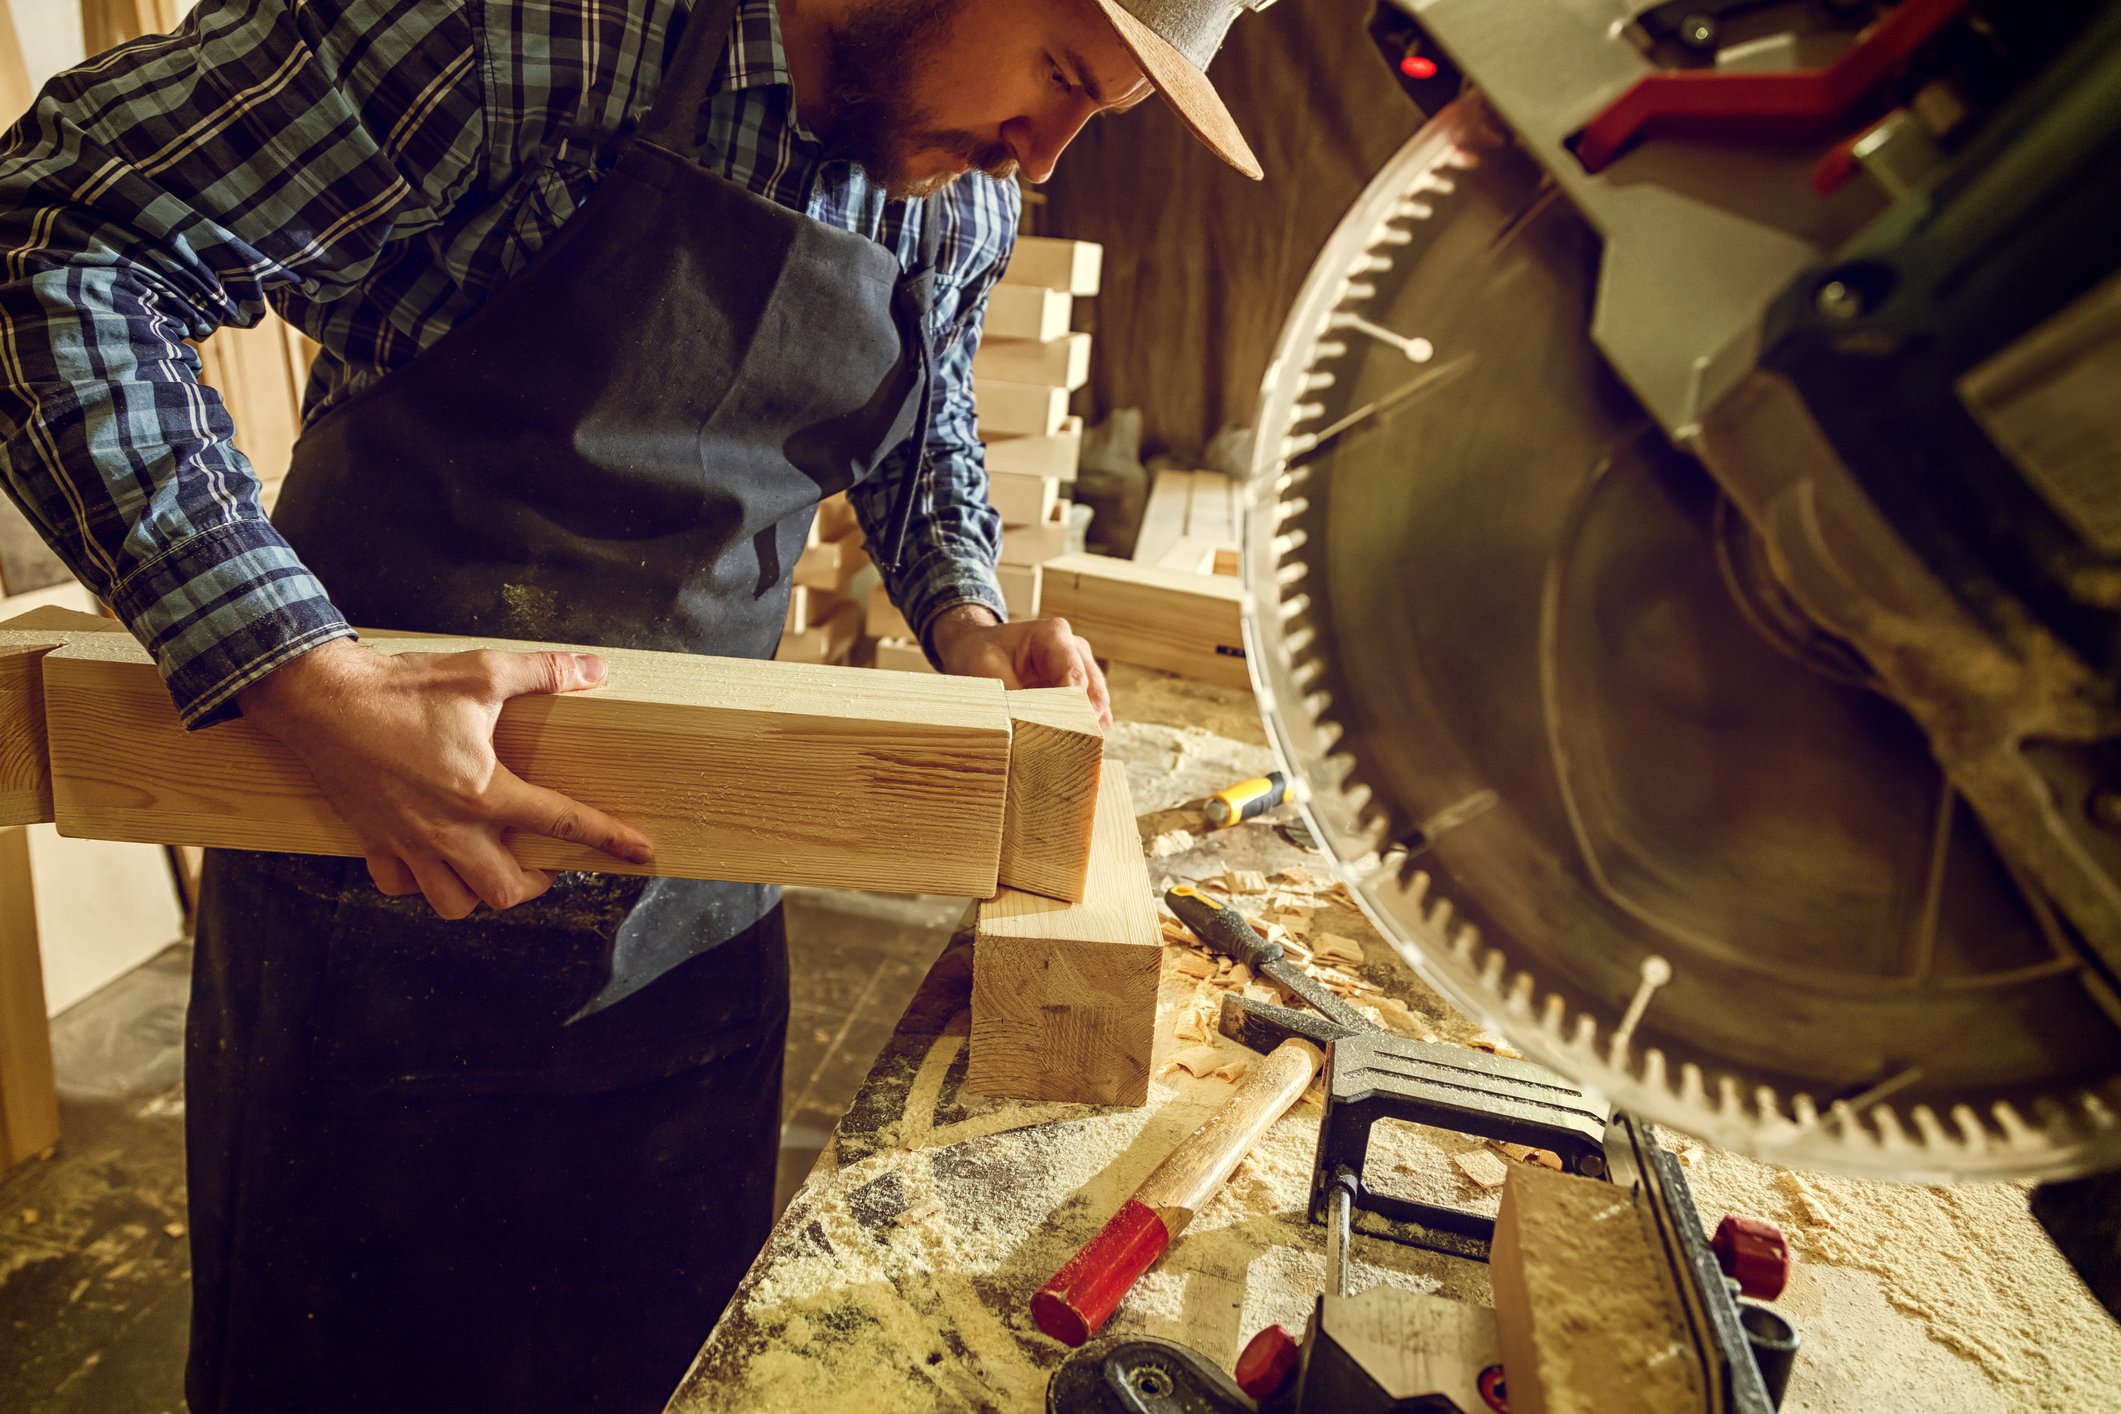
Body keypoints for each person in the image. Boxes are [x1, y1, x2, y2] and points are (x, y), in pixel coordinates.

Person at [0, 0, 1267, 1407]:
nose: (1041, 160)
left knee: (651, 1365)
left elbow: (925, 427)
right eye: (1057, 74)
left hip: (693, 920)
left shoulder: (948, 187)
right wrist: (301, 673)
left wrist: (967, 616)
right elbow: (61, 237)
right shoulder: (532, 34)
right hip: (369, 903)